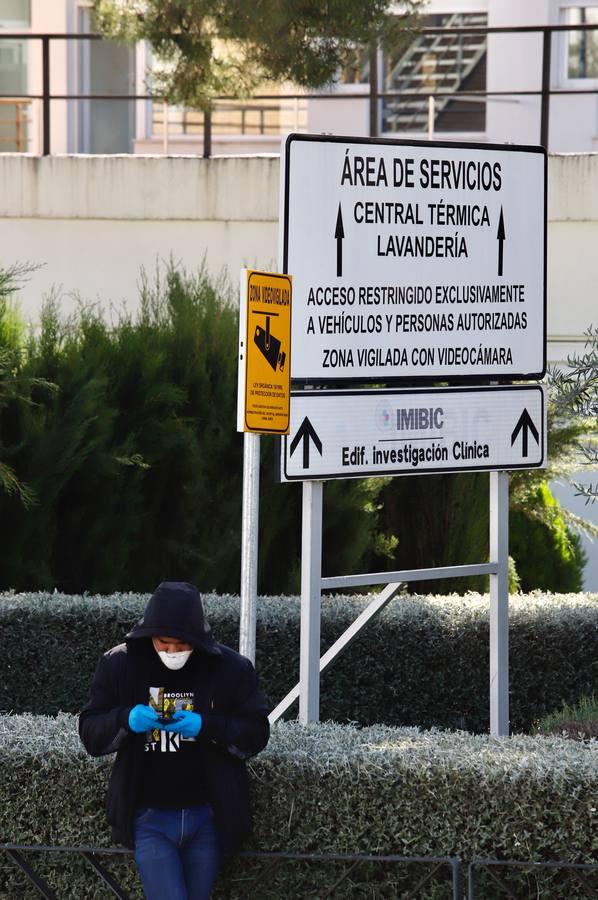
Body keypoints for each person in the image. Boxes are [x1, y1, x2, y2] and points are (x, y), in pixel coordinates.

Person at [79, 581, 270, 900]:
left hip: (208, 816)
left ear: (198, 639)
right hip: (149, 817)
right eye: (163, 642)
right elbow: (90, 731)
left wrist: (205, 726)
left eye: (181, 644)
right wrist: (126, 719)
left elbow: (256, 732)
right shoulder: (120, 664)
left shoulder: (231, 669)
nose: (171, 651)